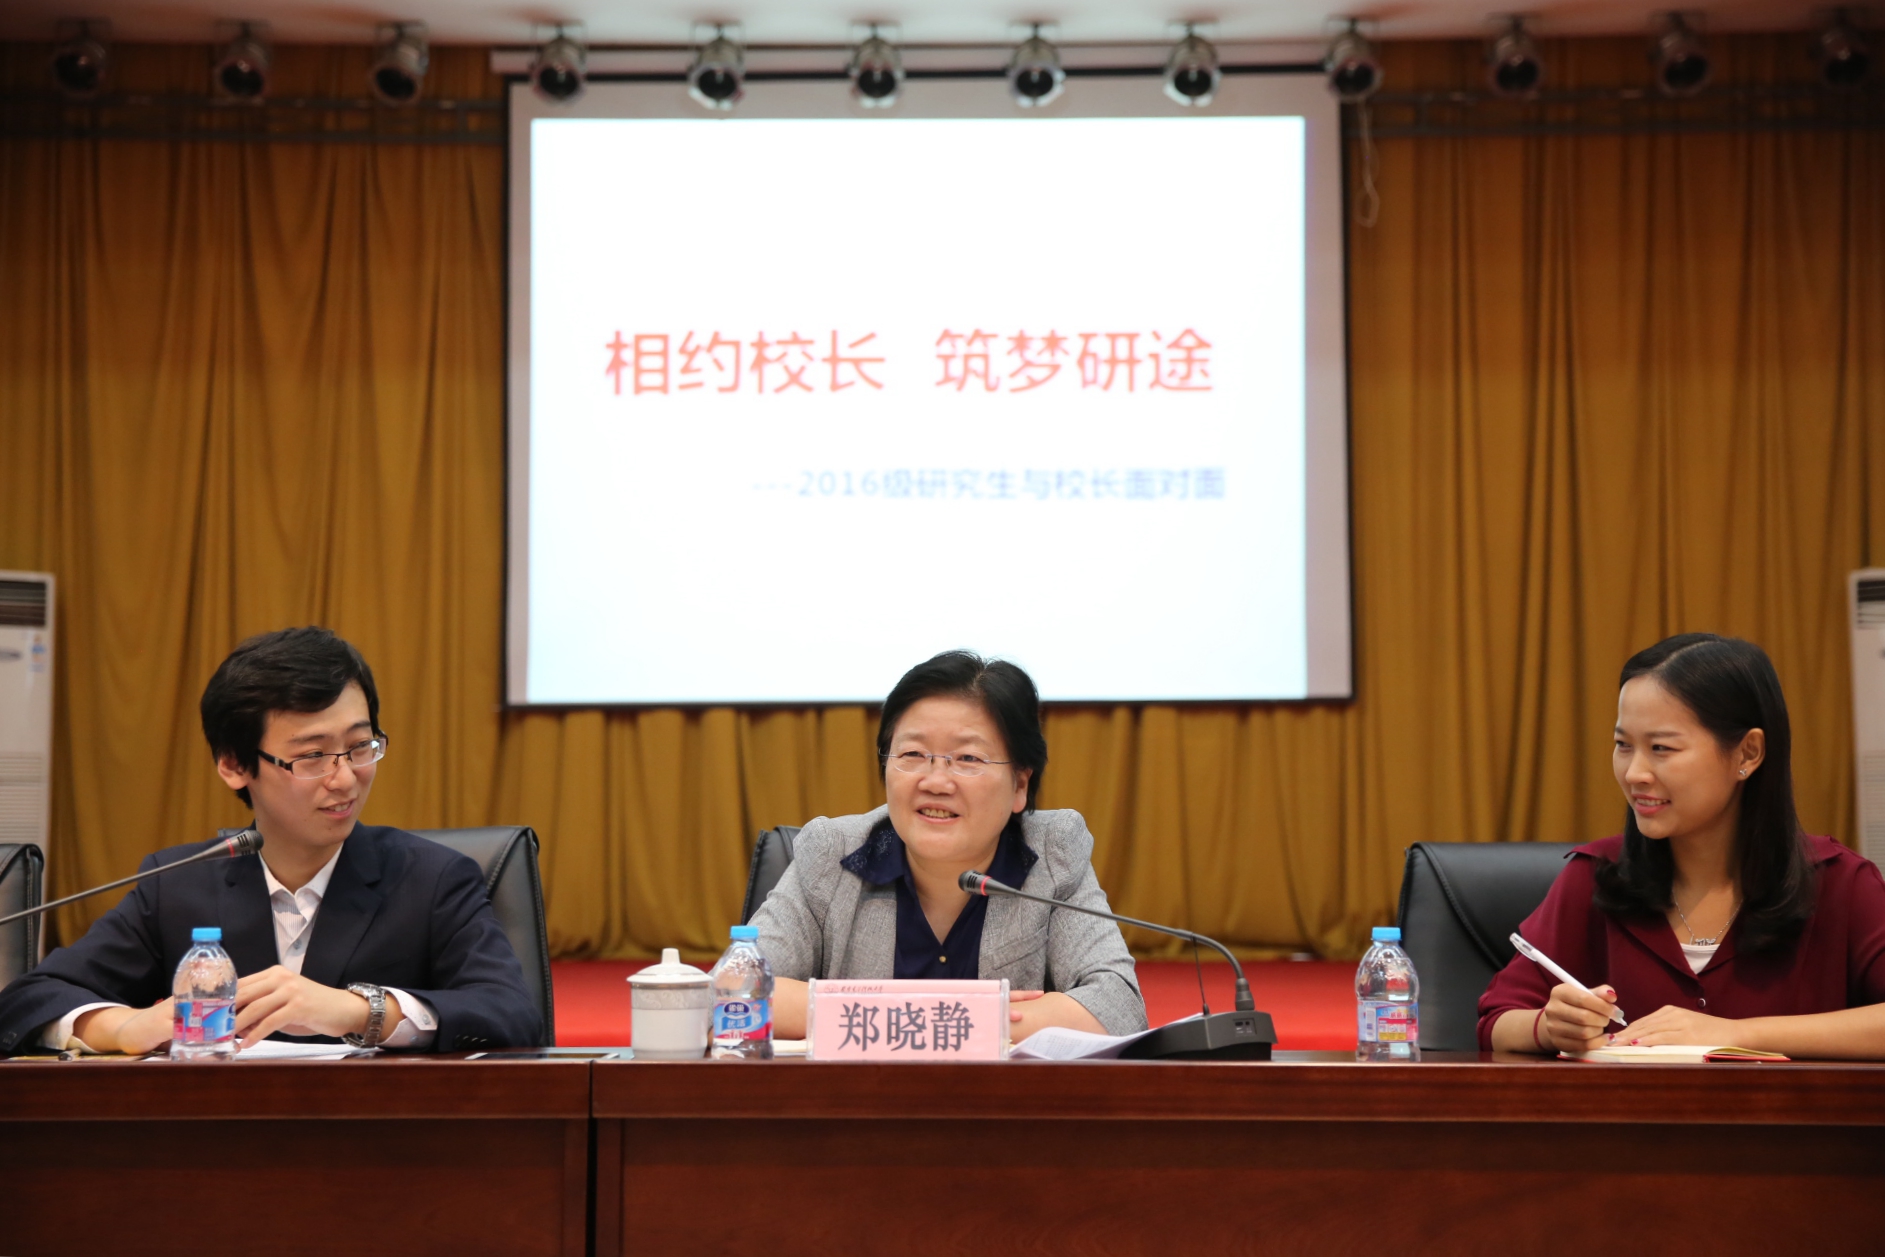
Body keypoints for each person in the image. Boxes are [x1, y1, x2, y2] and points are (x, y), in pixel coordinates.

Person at [0, 627, 541, 1056]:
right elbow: (29, 1000)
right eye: (312, 756)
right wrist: (124, 1028)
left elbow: (512, 1015)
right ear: (235, 765)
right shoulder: (178, 885)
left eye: (360, 746)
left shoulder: (431, 879)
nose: (345, 778)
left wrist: (361, 1011)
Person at [1481, 633, 1885, 1058]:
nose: (1634, 773)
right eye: (1623, 745)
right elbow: (1496, 1021)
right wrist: (1550, 1026)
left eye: (1661, 748)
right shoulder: (1596, 875)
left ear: (1748, 753)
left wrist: (1735, 1035)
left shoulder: (1840, 883)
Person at [754, 651, 1147, 1042]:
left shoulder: (1052, 853)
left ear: (1020, 785)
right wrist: (955, 1017)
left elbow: (1118, 1008)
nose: (936, 782)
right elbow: (739, 992)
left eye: (968, 758)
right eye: (912, 754)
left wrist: (876, 1016)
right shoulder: (832, 853)